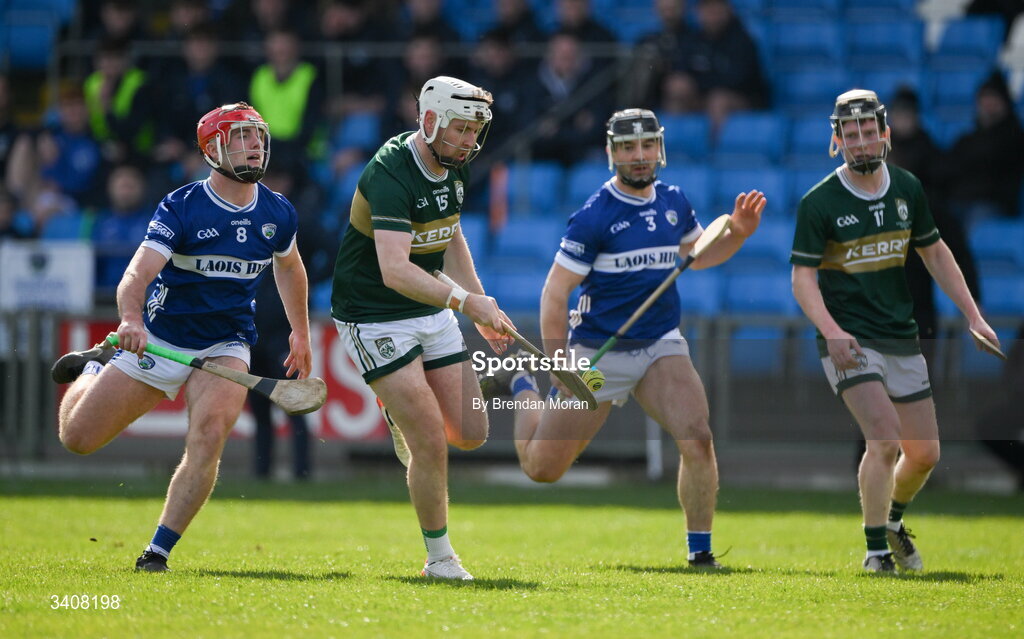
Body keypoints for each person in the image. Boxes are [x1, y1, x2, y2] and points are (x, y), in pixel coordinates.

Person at [481, 109, 765, 568]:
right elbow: (554, 294)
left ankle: (700, 553)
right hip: (596, 354)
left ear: (660, 149)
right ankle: (521, 387)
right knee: (542, 469)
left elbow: (700, 257)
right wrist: (560, 362)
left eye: (647, 145)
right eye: (628, 148)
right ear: (611, 152)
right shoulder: (594, 217)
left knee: (697, 438)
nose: (639, 156)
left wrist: (740, 235)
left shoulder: (675, 202)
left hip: (659, 345)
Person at [51, 102, 312, 572]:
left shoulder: (278, 212)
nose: (255, 146)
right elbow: (136, 274)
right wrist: (129, 321)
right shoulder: (182, 206)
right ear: (214, 148)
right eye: (242, 137)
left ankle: (158, 551)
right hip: (159, 340)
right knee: (77, 438)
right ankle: (95, 365)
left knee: (210, 434)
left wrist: (301, 332)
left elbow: (290, 267)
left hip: (227, 343)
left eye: (258, 137)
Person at [790, 89, 1001, 572]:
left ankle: (892, 521)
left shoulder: (907, 188)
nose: (860, 143)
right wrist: (831, 330)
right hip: (850, 340)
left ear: (885, 134)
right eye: (850, 135)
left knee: (924, 454)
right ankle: (876, 552)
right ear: (836, 141)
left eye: (868, 133)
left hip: (901, 335)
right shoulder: (819, 202)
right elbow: (801, 279)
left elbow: (936, 253)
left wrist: (973, 316)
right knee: (883, 440)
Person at [330, 76, 512, 580]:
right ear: (429, 120)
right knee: (431, 439)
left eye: (476, 131)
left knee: (471, 434)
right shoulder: (390, 171)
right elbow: (395, 269)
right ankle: (440, 559)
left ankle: (396, 411)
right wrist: (464, 300)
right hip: (371, 311)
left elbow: (450, 237)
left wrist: (482, 304)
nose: (470, 141)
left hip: (429, 308)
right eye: (460, 129)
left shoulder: (457, 166)